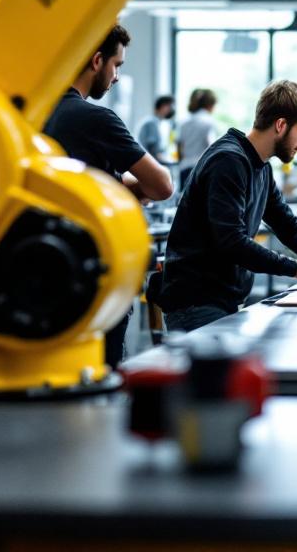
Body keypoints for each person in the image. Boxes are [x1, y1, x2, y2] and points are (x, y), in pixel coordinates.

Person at [42, 24, 174, 365]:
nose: (116, 77)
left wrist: (113, 186)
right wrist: (131, 188)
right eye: (117, 65)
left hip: (42, 269)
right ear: (97, 61)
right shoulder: (94, 117)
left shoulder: (34, 112)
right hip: (93, 274)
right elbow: (161, 185)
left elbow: (71, 181)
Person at [156, 81, 297, 333]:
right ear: (281, 125)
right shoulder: (228, 161)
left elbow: (286, 224)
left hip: (221, 299)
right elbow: (231, 241)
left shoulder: (260, 166)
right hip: (196, 302)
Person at [178, 88, 219, 187]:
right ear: (210, 105)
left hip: (184, 168)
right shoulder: (209, 121)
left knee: (185, 201)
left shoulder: (184, 121)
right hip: (202, 169)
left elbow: (179, 148)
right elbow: (212, 147)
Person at [136, 95, 176, 164]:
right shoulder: (152, 123)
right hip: (148, 163)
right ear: (163, 106)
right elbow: (153, 149)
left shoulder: (157, 122)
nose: (171, 109)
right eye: (170, 106)